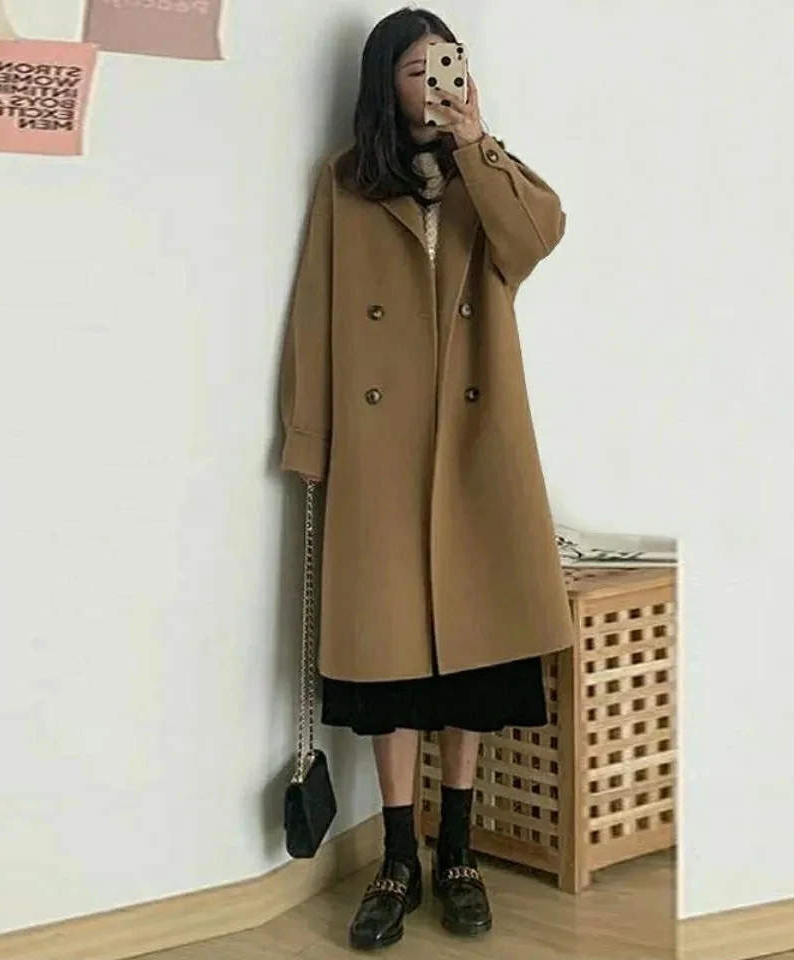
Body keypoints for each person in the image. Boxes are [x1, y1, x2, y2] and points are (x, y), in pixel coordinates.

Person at [278, 7, 573, 950]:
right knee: (390, 662)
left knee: (475, 661)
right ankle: (397, 858)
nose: (440, 80)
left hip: (476, 445)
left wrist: (478, 143)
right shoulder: (344, 181)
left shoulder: (490, 173)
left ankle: (459, 853)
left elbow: (536, 239)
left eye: (451, 62)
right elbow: (316, 310)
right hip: (381, 450)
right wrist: (308, 437)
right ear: (385, 84)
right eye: (418, 69)